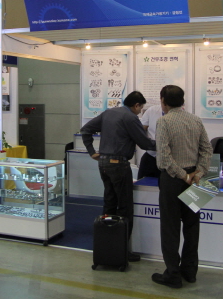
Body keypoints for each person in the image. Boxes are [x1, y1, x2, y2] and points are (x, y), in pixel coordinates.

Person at [80, 91, 156, 263]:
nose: (141, 112)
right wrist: (165, 145)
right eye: (141, 108)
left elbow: (85, 130)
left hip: (103, 164)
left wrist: (91, 152)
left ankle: (106, 247)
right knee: (125, 207)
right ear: (136, 105)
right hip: (119, 165)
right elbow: (144, 143)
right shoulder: (131, 118)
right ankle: (122, 250)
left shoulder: (108, 113)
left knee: (109, 204)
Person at [152, 85, 212, 289]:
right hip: (195, 180)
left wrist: (183, 176)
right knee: (192, 226)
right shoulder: (196, 120)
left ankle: (173, 274)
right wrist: (199, 173)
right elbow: (207, 149)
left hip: (173, 180)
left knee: (170, 228)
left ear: (163, 101)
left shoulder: (164, 121)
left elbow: (164, 158)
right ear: (182, 101)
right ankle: (190, 271)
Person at [138, 103, 163, 180]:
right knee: (142, 182)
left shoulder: (180, 116)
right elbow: (142, 130)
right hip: (151, 155)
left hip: (170, 158)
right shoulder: (153, 110)